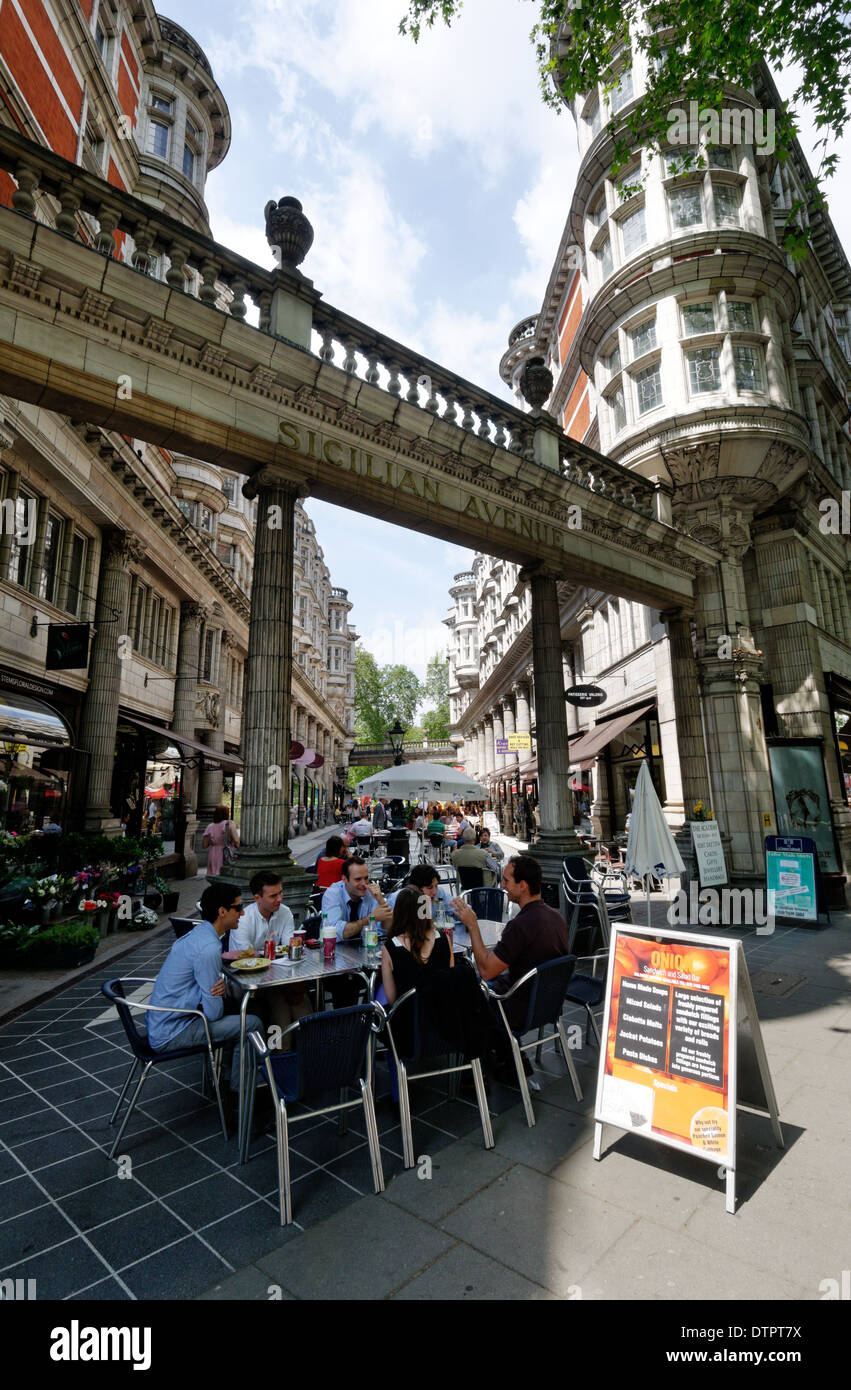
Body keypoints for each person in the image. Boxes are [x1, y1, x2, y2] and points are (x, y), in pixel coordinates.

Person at [451, 855, 572, 1087]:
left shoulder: (520, 925)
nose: (502, 886)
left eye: (506, 880)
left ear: (523, 885)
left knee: (471, 998)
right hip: (548, 1004)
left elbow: (486, 970)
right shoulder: (556, 918)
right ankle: (511, 1059)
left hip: (519, 1008)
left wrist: (472, 925)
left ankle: (477, 1073)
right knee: (482, 991)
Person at [146, 882, 261, 1101]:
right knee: (251, 1023)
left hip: (162, 1021)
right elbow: (213, 1014)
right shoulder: (209, 948)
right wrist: (213, 991)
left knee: (236, 1008)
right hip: (172, 1031)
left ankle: (226, 1077)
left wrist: (213, 989)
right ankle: (241, 1100)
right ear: (222, 911)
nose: (243, 912)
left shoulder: (199, 933)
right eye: (239, 907)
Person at [228, 871, 309, 1047]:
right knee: (280, 1004)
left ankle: (310, 1052)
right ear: (257, 898)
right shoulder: (243, 919)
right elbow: (246, 957)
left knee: (300, 996)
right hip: (248, 982)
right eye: (273, 895)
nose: (279, 899)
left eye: (280, 893)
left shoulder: (285, 912)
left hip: (279, 977)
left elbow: (290, 947)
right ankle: (280, 1053)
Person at [321, 857, 393, 942]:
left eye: (366, 878)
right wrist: (370, 919)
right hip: (333, 949)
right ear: (344, 879)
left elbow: (390, 928)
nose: (364, 884)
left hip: (363, 948)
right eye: (358, 879)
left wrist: (381, 900)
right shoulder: (333, 893)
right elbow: (335, 932)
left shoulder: (370, 892)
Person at [386, 862, 457, 918]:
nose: (435, 892)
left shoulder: (439, 893)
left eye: (436, 886)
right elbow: (382, 931)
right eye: (429, 887)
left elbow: (457, 910)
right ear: (415, 888)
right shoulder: (396, 900)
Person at [202, 805, 239, 879]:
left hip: (213, 854)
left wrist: (214, 840)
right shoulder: (229, 824)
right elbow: (236, 841)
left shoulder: (210, 826)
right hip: (225, 853)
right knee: (225, 876)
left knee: (214, 877)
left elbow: (204, 845)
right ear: (226, 814)